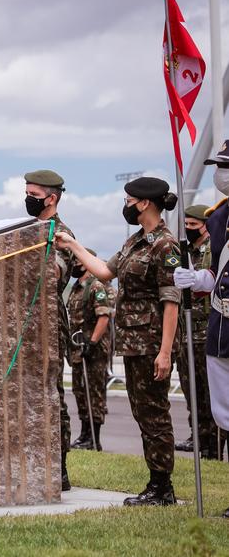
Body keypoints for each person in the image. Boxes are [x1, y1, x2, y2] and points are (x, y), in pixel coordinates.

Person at [56, 176, 180, 506]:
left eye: (128, 201)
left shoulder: (165, 245)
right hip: (133, 343)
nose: (125, 206)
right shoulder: (134, 242)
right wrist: (73, 245)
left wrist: (165, 351)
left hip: (152, 343)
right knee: (143, 413)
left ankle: (162, 487)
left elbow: (171, 301)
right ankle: (157, 484)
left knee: (155, 414)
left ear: (144, 203)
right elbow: (104, 271)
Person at [173, 140, 229, 517]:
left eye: (226, 167)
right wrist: (196, 279)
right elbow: (217, 273)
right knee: (226, 415)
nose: (220, 174)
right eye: (219, 166)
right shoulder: (219, 216)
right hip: (221, 328)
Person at [24, 169, 75, 490]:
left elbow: (56, 272)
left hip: (49, 324)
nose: (28, 199)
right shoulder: (28, 230)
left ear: (51, 198)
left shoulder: (61, 234)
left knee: (51, 395)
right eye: (27, 194)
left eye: (34, 195)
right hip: (25, 325)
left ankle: (59, 467)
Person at [172, 205, 217, 458]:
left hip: (207, 333)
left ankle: (214, 445)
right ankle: (198, 437)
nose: (188, 229)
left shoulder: (214, 251)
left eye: (193, 225)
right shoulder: (183, 252)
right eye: (186, 224)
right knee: (192, 392)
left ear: (205, 226)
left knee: (211, 394)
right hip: (187, 334)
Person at [67, 249, 113, 451]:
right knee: (80, 391)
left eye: (77, 261)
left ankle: (95, 438)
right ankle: (85, 434)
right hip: (78, 349)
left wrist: (92, 342)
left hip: (93, 350)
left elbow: (103, 317)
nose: (74, 265)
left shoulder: (95, 286)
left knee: (94, 392)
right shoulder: (76, 288)